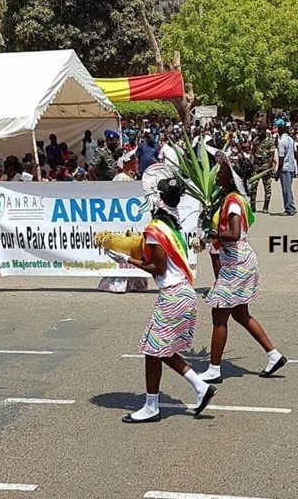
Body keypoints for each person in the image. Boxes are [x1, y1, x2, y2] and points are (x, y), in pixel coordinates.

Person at [107, 177, 216, 423]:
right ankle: (197, 388)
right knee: (157, 349)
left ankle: (154, 406)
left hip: (173, 296)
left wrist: (125, 260)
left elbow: (157, 267)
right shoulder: (171, 222)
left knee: (152, 349)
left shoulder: (155, 229)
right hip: (183, 292)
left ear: (157, 199)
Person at [199, 153, 286, 384]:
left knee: (219, 315)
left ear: (231, 179)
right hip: (238, 261)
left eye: (222, 172)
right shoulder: (230, 198)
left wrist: (212, 234)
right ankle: (273, 354)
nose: (217, 174)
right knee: (240, 313)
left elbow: (234, 233)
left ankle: (214, 369)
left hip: (236, 262)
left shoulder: (233, 201)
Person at [97, 152, 148, 294]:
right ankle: (119, 283)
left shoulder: (128, 177)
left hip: (130, 218)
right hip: (123, 217)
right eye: (135, 163)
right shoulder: (122, 178)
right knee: (124, 249)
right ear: (128, 164)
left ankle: (133, 282)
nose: (137, 166)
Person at [250, 125, 275, 213]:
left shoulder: (270, 142)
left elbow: (272, 156)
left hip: (265, 166)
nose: (260, 132)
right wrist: (252, 164)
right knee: (253, 187)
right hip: (256, 167)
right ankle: (252, 206)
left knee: (267, 188)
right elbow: (252, 153)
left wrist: (268, 168)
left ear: (265, 131)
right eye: (259, 130)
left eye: (262, 130)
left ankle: (266, 207)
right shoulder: (255, 140)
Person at [275, 125, 297, 216]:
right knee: (288, 188)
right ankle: (291, 206)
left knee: (286, 189)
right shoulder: (291, 140)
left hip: (285, 167)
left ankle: (289, 209)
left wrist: (278, 171)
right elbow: (295, 153)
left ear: (280, 130)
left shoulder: (281, 141)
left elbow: (281, 157)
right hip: (291, 166)